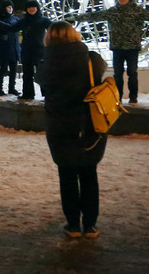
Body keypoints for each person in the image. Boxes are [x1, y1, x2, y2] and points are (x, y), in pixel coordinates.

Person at [39, 21, 108, 238]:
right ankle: (90, 225)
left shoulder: (46, 63)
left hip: (60, 125)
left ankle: (73, 225)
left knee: (67, 175)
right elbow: (101, 72)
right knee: (89, 174)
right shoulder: (91, 59)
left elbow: (43, 86)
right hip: (89, 124)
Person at [72, 0, 149, 106]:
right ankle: (118, 98)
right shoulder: (113, 12)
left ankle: (133, 98)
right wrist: (75, 18)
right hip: (117, 48)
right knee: (117, 75)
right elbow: (94, 16)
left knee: (132, 73)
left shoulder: (137, 12)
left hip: (132, 48)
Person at [17, 0, 51, 100]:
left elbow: (54, 27)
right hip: (27, 51)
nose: (32, 9)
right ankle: (28, 94)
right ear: (26, 9)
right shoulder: (24, 21)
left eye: (34, 7)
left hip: (40, 50)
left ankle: (46, 94)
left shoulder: (43, 20)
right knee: (27, 74)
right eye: (29, 7)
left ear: (37, 8)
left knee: (42, 73)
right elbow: (13, 28)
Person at [0, 0, 21, 96]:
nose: (10, 9)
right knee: (3, 70)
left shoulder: (15, 19)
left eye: (11, 7)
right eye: (8, 8)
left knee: (13, 70)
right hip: (4, 49)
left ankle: (12, 88)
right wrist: (0, 37)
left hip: (14, 49)